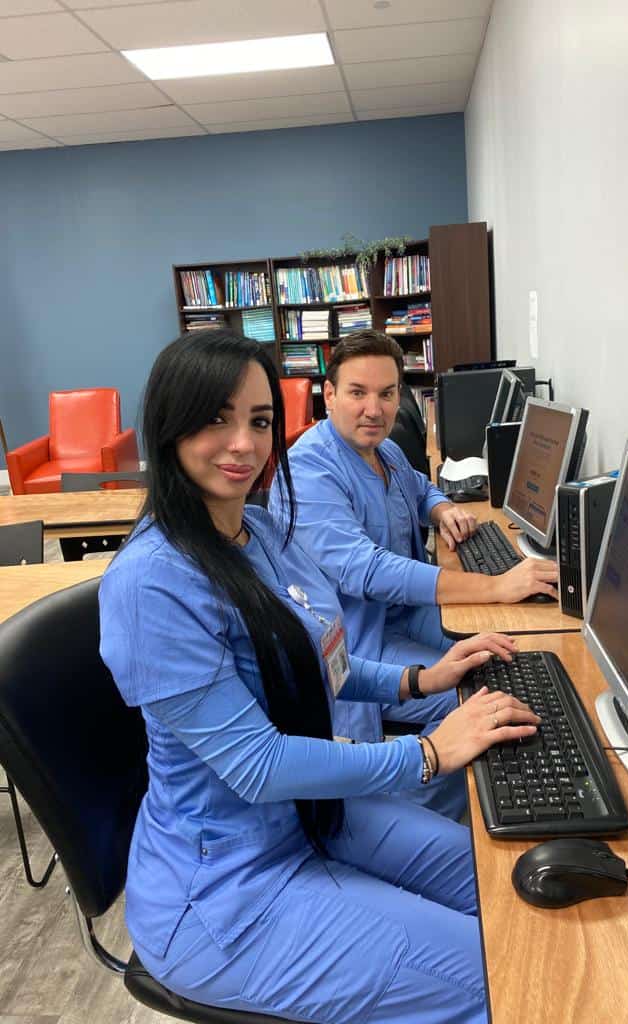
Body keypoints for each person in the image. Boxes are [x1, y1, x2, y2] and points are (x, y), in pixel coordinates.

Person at [98, 328, 541, 1024]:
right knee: (506, 979)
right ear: (165, 427)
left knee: (515, 887)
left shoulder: (261, 533)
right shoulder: (151, 585)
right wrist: (426, 752)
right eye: (216, 418)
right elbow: (257, 766)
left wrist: (421, 681)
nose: (243, 444)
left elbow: (323, 663)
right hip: (227, 889)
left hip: (310, 819)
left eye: (260, 420)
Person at [268, 331, 558, 817]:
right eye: (358, 393)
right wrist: (497, 584)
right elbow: (368, 571)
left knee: (509, 655)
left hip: (405, 616)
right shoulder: (308, 470)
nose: (374, 409)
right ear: (330, 395)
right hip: (361, 643)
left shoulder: (384, 452)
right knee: (481, 703)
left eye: (386, 394)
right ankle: (408, 809)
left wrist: (443, 509)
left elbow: (419, 488)